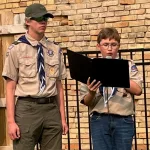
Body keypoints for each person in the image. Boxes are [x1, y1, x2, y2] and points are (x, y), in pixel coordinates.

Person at [2, 3, 68, 150]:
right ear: (27, 21)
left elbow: (59, 86)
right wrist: (11, 121)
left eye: (45, 18)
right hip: (27, 109)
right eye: (39, 18)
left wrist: (62, 118)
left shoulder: (55, 49)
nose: (43, 22)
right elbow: (10, 87)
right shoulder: (16, 49)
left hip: (51, 109)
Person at [80, 27, 143, 150]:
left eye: (113, 45)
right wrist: (91, 92)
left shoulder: (128, 65)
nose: (109, 49)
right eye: (105, 45)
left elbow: (138, 90)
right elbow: (85, 101)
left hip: (123, 119)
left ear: (118, 46)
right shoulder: (91, 67)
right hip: (99, 119)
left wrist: (118, 75)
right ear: (99, 46)